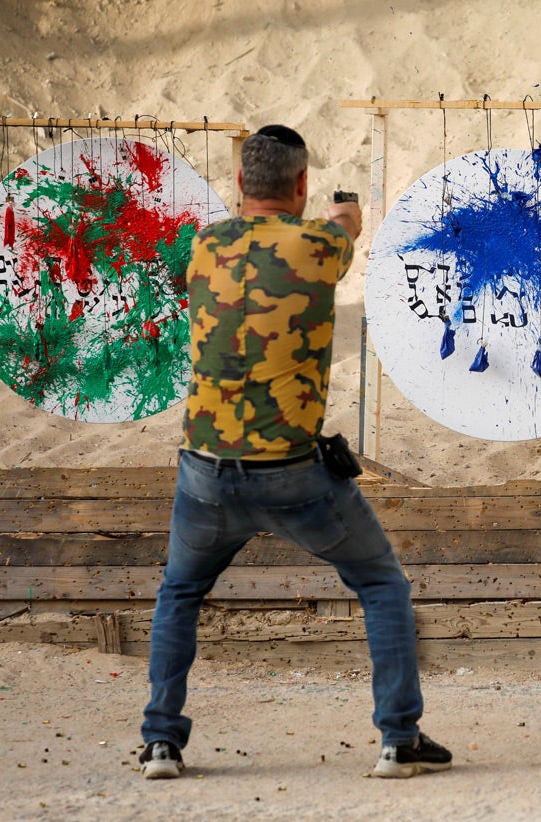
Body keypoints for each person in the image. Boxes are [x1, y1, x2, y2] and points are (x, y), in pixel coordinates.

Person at [139, 124, 451, 780]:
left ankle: (161, 742)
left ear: (239, 183)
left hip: (204, 471)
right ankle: (399, 739)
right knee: (381, 584)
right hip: (292, 475)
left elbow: (191, 277)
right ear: (302, 183)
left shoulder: (201, 245)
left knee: (179, 592)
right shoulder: (318, 244)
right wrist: (345, 213)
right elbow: (344, 232)